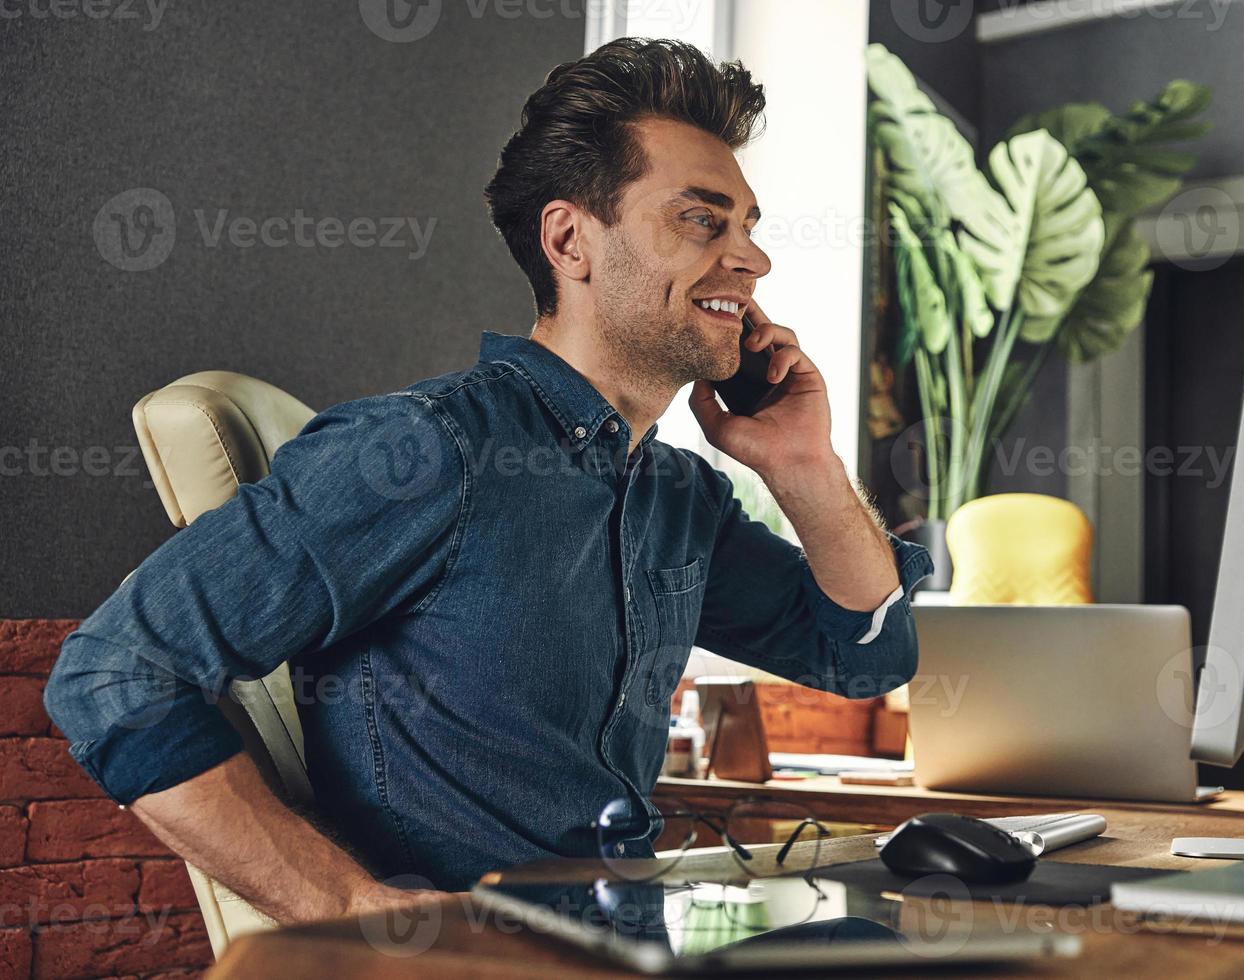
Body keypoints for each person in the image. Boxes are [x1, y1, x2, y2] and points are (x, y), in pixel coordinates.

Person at [44, 37, 932, 924]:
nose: (753, 260)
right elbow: (113, 671)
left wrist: (804, 463)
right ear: (569, 239)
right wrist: (348, 906)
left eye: (748, 226)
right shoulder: (426, 452)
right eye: (702, 219)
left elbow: (863, 656)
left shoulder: (674, 494)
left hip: (627, 945)